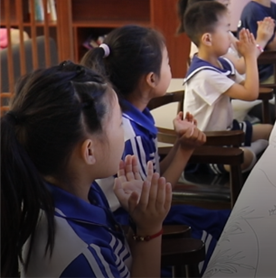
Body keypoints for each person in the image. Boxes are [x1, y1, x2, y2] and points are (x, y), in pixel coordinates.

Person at [82, 25, 229, 275]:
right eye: (167, 63)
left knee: (223, 221)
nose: (171, 68)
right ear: (151, 79)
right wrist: (184, 152)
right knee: (218, 244)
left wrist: (182, 144)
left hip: (146, 213)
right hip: (133, 227)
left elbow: (153, 176)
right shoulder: (127, 132)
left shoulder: (136, 115)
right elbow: (154, 198)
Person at [1, 63, 170, 277]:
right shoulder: (79, 254)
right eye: (120, 123)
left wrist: (139, 222)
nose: (124, 130)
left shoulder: (80, 192)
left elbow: (119, 259)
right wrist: (150, 230)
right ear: (89, 151)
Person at [182, 0, 273, 172]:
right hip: (206, 143)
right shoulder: (205, 74)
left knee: (271, 131)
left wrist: (249, 54)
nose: (231, 37)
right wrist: (250, 56)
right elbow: (251, 94)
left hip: (226, 131)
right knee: (244, 157)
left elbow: (247, 86)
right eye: (226, 30)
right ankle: (256, 148)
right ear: (207, 39)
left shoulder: (222, 63)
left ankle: (256, 147)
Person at [177, 0, 274, 75]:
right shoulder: (209, 39)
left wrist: (248, 42)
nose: (228, 10)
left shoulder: (223, 32)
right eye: (225, 4)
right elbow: (241, 67)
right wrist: (262, 40)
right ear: (207, 8)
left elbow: (243, 52)